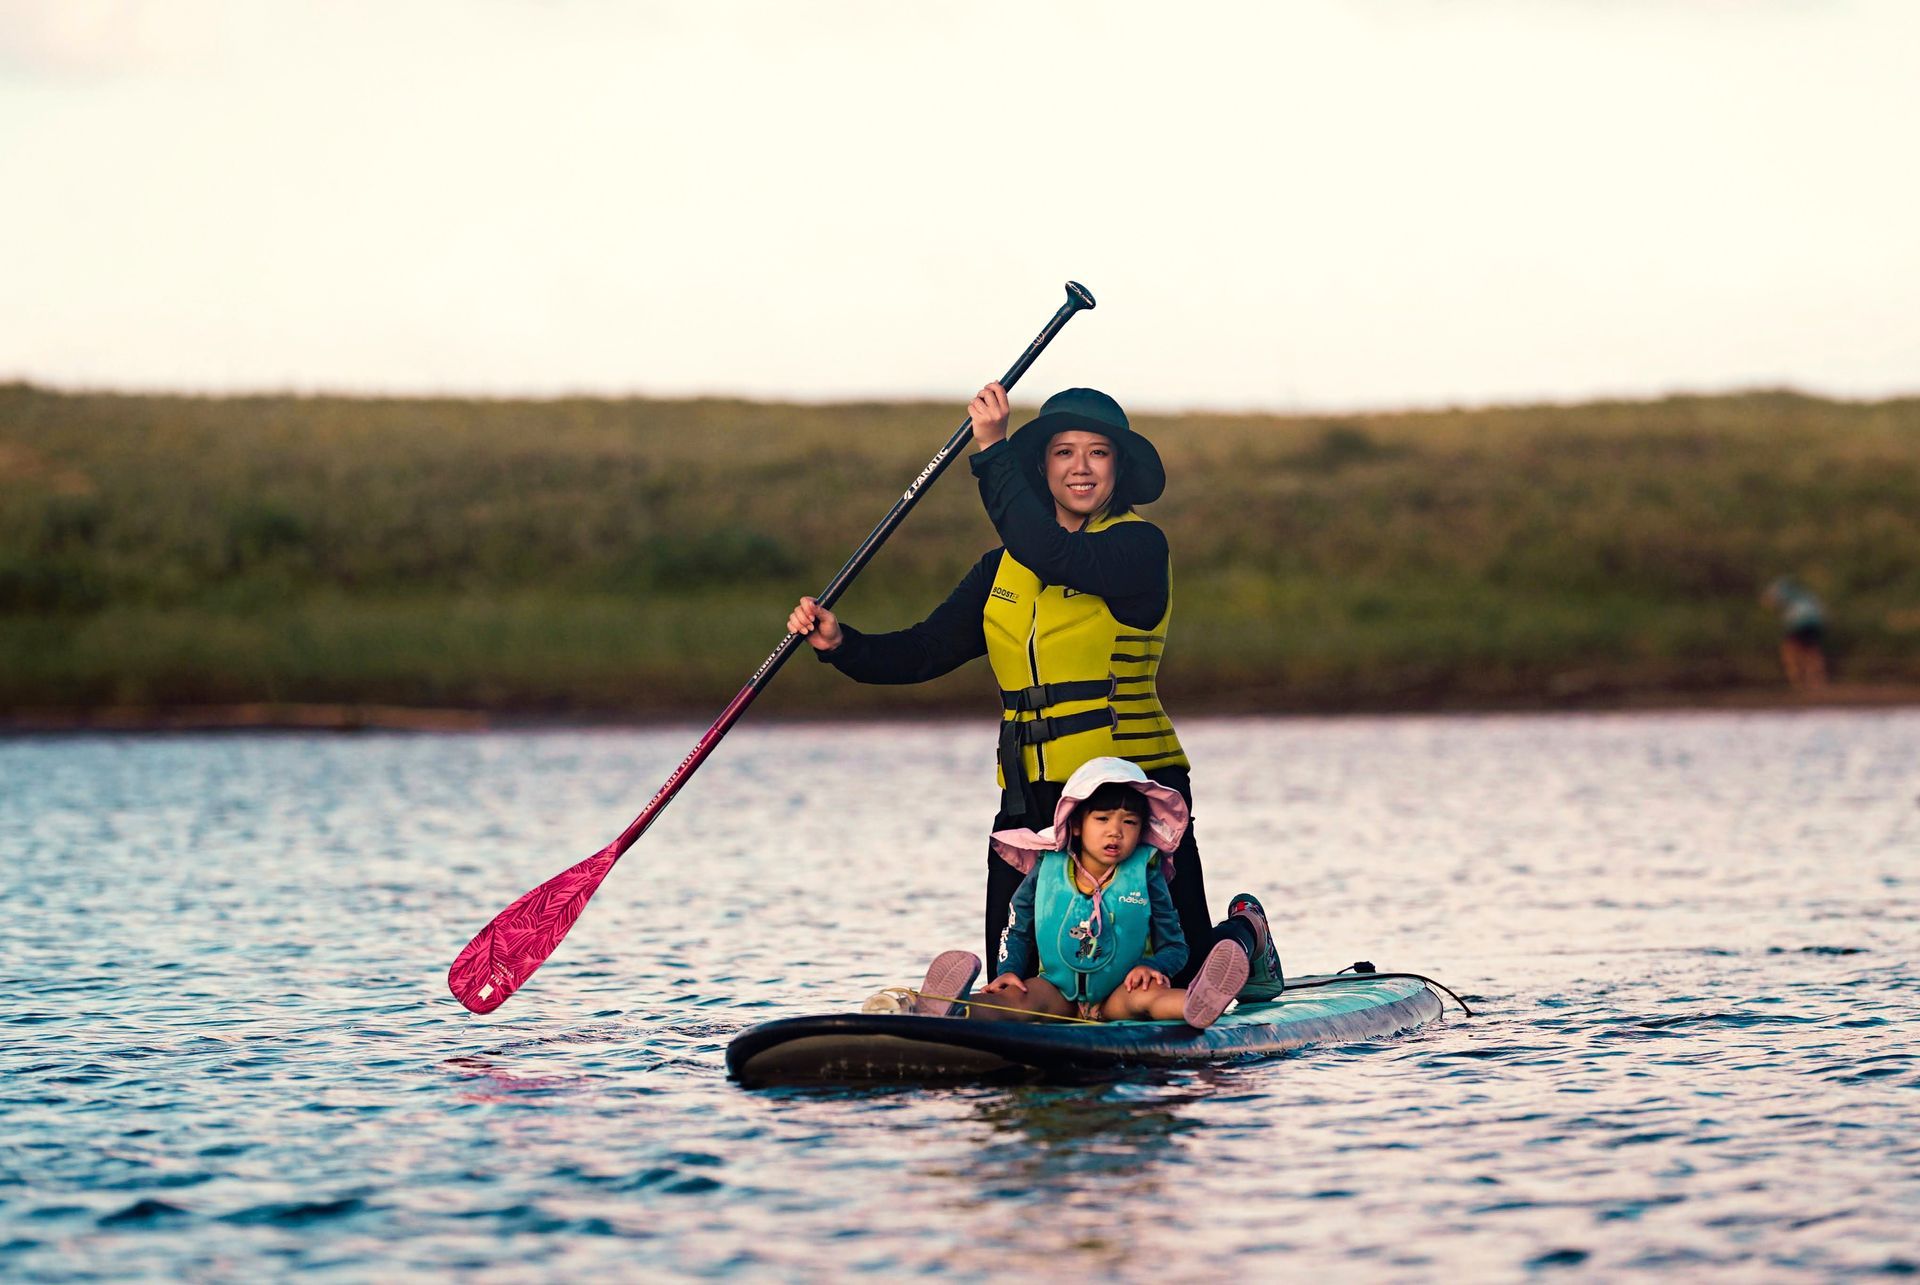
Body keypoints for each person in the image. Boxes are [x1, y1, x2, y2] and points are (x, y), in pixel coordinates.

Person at [787, 383, 1234, 987]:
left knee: (1183, 963)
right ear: (1041, 467)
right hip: (1031, 801)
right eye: (1063, 452)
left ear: (1118, 469)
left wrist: (992, 450)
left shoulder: (1138, 547)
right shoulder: (998, 571)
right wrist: (843, 644)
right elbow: (923, 652)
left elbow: (1055, 555)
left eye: (1098, 453)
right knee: (1015, 973)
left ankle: (1245, 937)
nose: (1080, 468)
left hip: (1133, 791)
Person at [906, 759, 1284, 1027]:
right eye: (1102, 819)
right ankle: (950, 1006)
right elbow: (1016, 929)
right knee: (1016, 999)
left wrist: (1153, 968)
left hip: (1119, 992)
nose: (1115, 832)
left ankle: (1199, 1002)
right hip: (1056, 991)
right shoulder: (1046, 870)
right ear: (1075, 825)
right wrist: (1007, 971)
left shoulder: (1146, 875)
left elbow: (1176, 947)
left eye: (1129, 823)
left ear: (1142, 830)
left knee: (1147, 1000)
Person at [1762, 577, 1829, 691]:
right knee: (1812, 652)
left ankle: (1798, 684)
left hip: (1799, 622)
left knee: (1789, 652)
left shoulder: (1782, 589)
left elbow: (1768, 602)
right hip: (1816, 623)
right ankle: (1817, 683)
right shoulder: (1805, 593)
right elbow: (1823, 611)